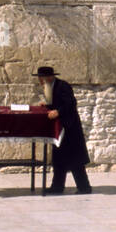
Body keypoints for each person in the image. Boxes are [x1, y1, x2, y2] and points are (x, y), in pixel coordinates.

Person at [36, 66, 91, 194]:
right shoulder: (50, 87)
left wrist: (58, 112)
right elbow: (57, 103)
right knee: (59, 159)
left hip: (70, 128)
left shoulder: (63, 86)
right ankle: (57, 187)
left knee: (75, 160)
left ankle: (84, 187)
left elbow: (70, 104)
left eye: (42, 78)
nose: (40, 81)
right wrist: (48, 106)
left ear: (49, 78)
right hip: (60, 129)